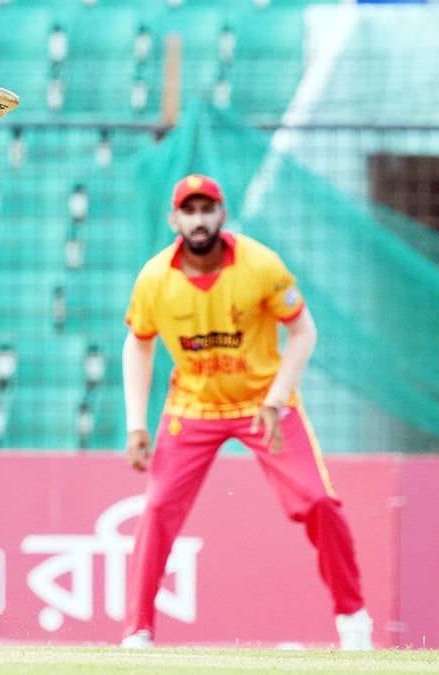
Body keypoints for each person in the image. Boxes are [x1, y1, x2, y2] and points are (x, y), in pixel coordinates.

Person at [118, 174, 373, 650]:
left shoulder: (260, 265)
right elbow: (138, 344)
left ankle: (354, 621)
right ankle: (138, 631)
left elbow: (303, 333)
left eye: (206, 208)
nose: (198, 219)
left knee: (318, 501)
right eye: (188, 211)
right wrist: (136, 424)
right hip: (193, 406)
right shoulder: (155, 277)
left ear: (222, 214)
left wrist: (276, 398)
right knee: (155, 509)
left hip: (264, 406)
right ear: (175, 219)